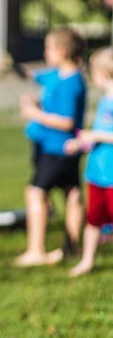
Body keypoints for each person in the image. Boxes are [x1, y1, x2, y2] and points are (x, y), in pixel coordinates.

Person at [15, 26, 86, 267]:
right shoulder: (60, 76)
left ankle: (36, 250)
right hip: (56, 148)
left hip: (58, 149)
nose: (45, 52)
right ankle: (72, 248)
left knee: (35, 192)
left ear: (62, 52)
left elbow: (66, 121)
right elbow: (34, 77)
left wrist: (35, 113)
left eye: (48, 48)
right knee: (72, 192)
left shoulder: (71, 83)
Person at [64, 47, 113, 276]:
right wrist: (82, 142)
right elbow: (101, 134)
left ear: (105, 73)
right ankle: (87, 260)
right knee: (93, 219)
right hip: (97, 174)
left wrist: (94, 135)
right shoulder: (104, 102)